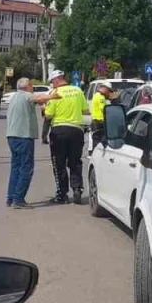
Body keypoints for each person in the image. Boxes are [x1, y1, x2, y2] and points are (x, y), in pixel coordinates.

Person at [37, 69, 88, 204]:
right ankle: (77, 189)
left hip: (59, 131)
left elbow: (49, 115)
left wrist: (43, 108)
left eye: (52, 82)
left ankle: (62, 194)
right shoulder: (78, 91)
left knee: (59, 163)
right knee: (75, 162)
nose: (52, 84)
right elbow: (85, 110)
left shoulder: (55, 93)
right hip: (76, 130)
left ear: (56, 80)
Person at [5, 77, 48, 209]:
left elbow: (35, 102)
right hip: (23, 136)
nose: (32, 87)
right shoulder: (26, 95)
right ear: (27, 87)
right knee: (26, 168)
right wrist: (53, 96)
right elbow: (38, 98)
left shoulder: (15, 97)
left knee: (16, 167)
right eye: (31, 85)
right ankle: (18, 199)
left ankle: (11, 197)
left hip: (12, 136)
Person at [89, 81, 113, 149]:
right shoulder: (101, 97)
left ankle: (94, 152)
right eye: (108, 90)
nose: (108, 93)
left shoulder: (96, 95)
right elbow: (103, 109)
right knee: (99, 141)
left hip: (95, 121)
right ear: (105, 88)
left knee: (96, 139)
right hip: (99, 122)